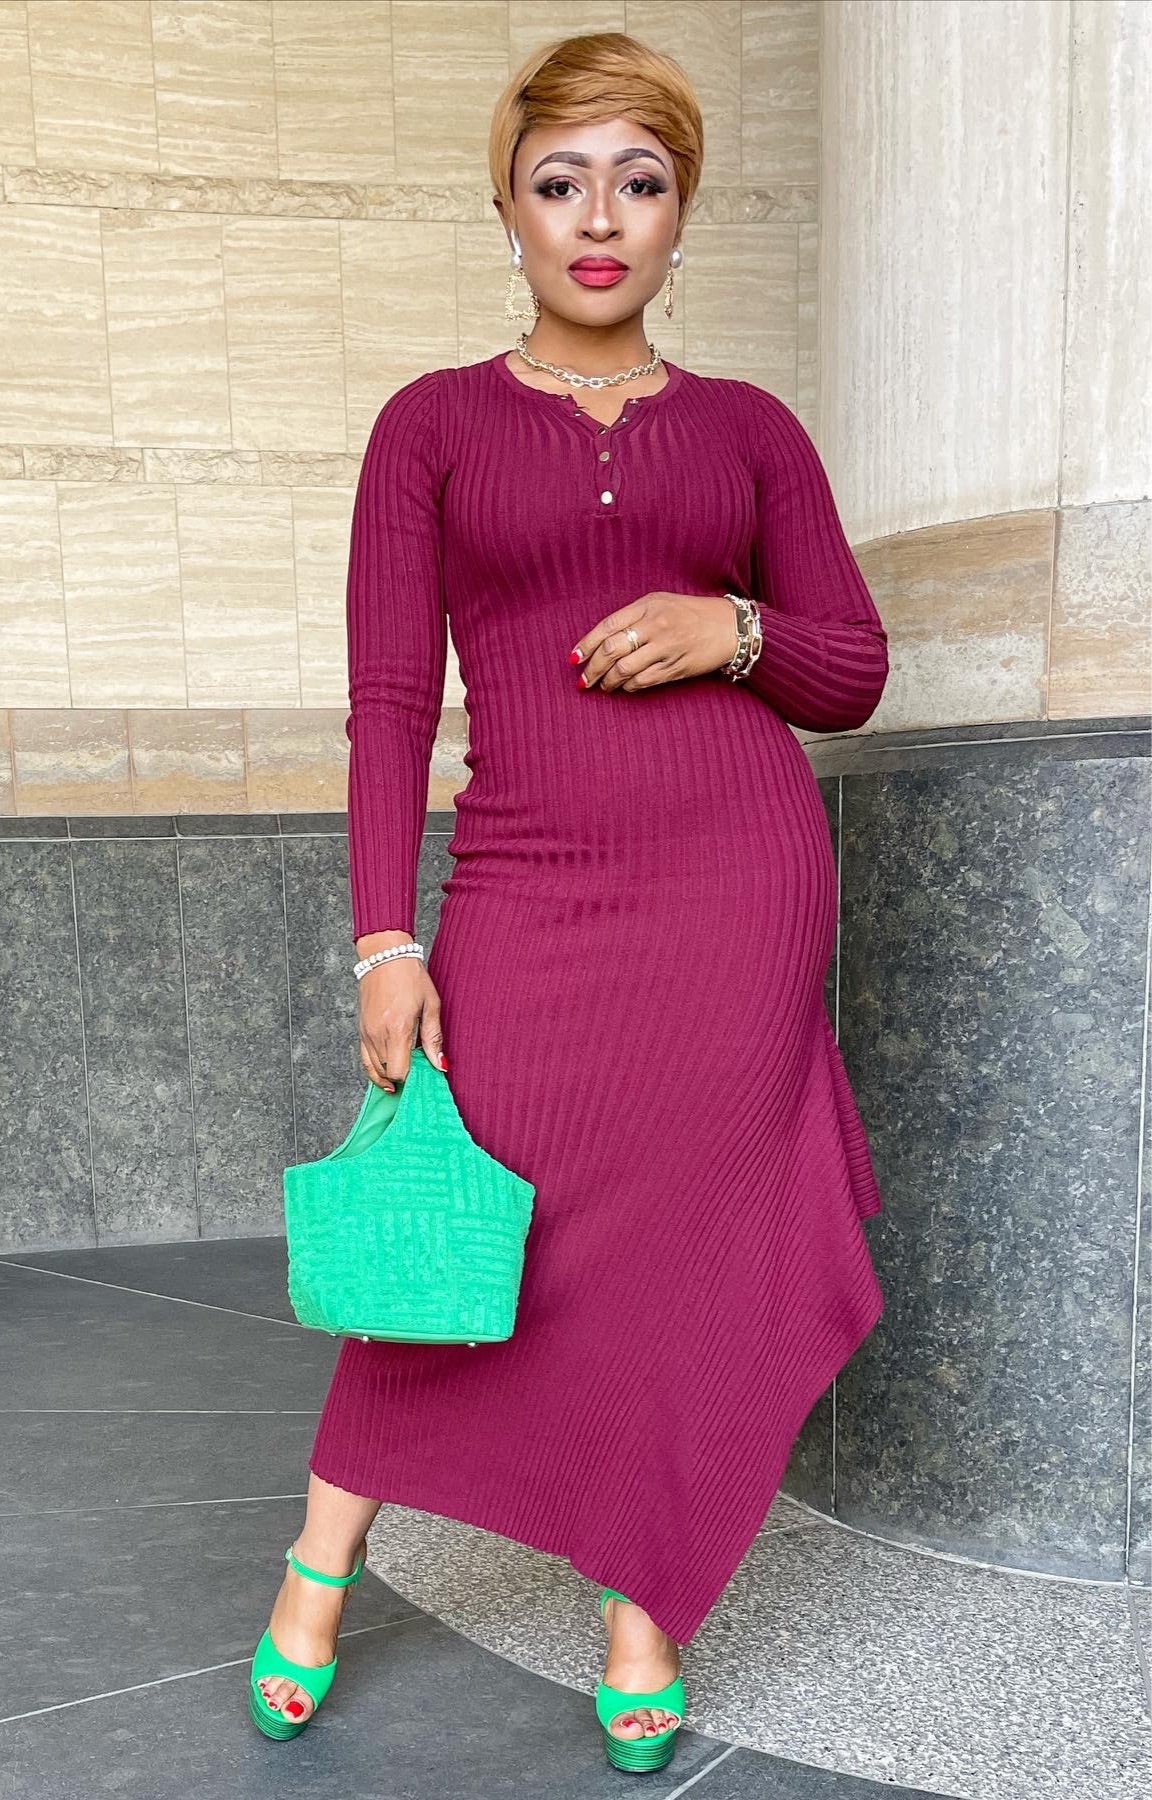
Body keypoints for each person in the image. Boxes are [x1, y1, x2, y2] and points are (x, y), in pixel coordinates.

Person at [249, 29, 889, 1774]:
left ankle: (640, 1607)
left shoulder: (751, 432)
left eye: (640, 181)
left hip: (739, 893)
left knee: (681, 1253)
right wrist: (387, 936)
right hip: (528, 883)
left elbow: (851, 669)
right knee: (471, 1222)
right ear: (509, 209)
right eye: (561, 182)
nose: (599, 219)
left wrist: (729, 627)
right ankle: (318, 1563)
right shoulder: (433, 425)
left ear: (682, 211)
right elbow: (391, 701)